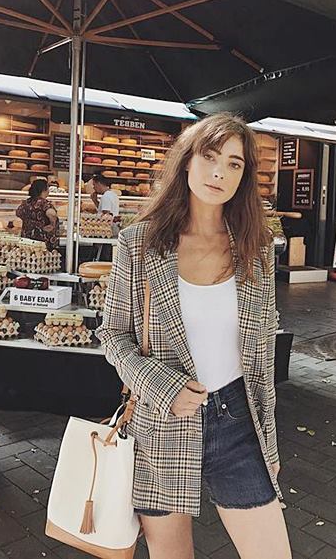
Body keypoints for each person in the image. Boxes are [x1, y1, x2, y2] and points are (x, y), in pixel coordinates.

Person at [97, 113, 292, 559]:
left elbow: (262, 354)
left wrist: (269, 440)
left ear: (244, 177)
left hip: (238, 421)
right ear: (187, 161)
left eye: (234, 163)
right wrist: (162, 386)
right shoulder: (139, 243)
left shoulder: (256, 248)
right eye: (209, 157)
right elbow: (112, 334)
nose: (219, 172)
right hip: (161, 423)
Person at [15, 178, 59, 251]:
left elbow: (18, 213)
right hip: (42, 241)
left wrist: (29, 222)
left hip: (27, 240)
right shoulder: (44, 203)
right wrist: (52, 224)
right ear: (44, 190)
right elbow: (52, 213)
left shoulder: (27, 202)